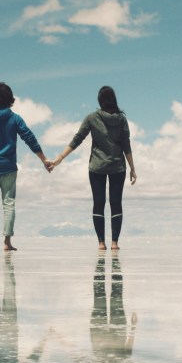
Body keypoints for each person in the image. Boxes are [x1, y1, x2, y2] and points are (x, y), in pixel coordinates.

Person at [49, 86, 137, 250]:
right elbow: (126, 144)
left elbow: (78, 139)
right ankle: (115, 243)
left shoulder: (92, 118)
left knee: (99, 203)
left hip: (97, 167)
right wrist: (132, 167)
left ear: (100, 101)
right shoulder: (121, 119)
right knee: (116, 203)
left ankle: (101, 243)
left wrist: (60, 158)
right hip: (118, 166)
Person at [0, 82, 51, 251]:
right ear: (10, 100)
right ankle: (7, 243)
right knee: (8, 204)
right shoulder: (15, 119)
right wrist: (43, 159)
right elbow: (29, 138)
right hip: (8, 167)